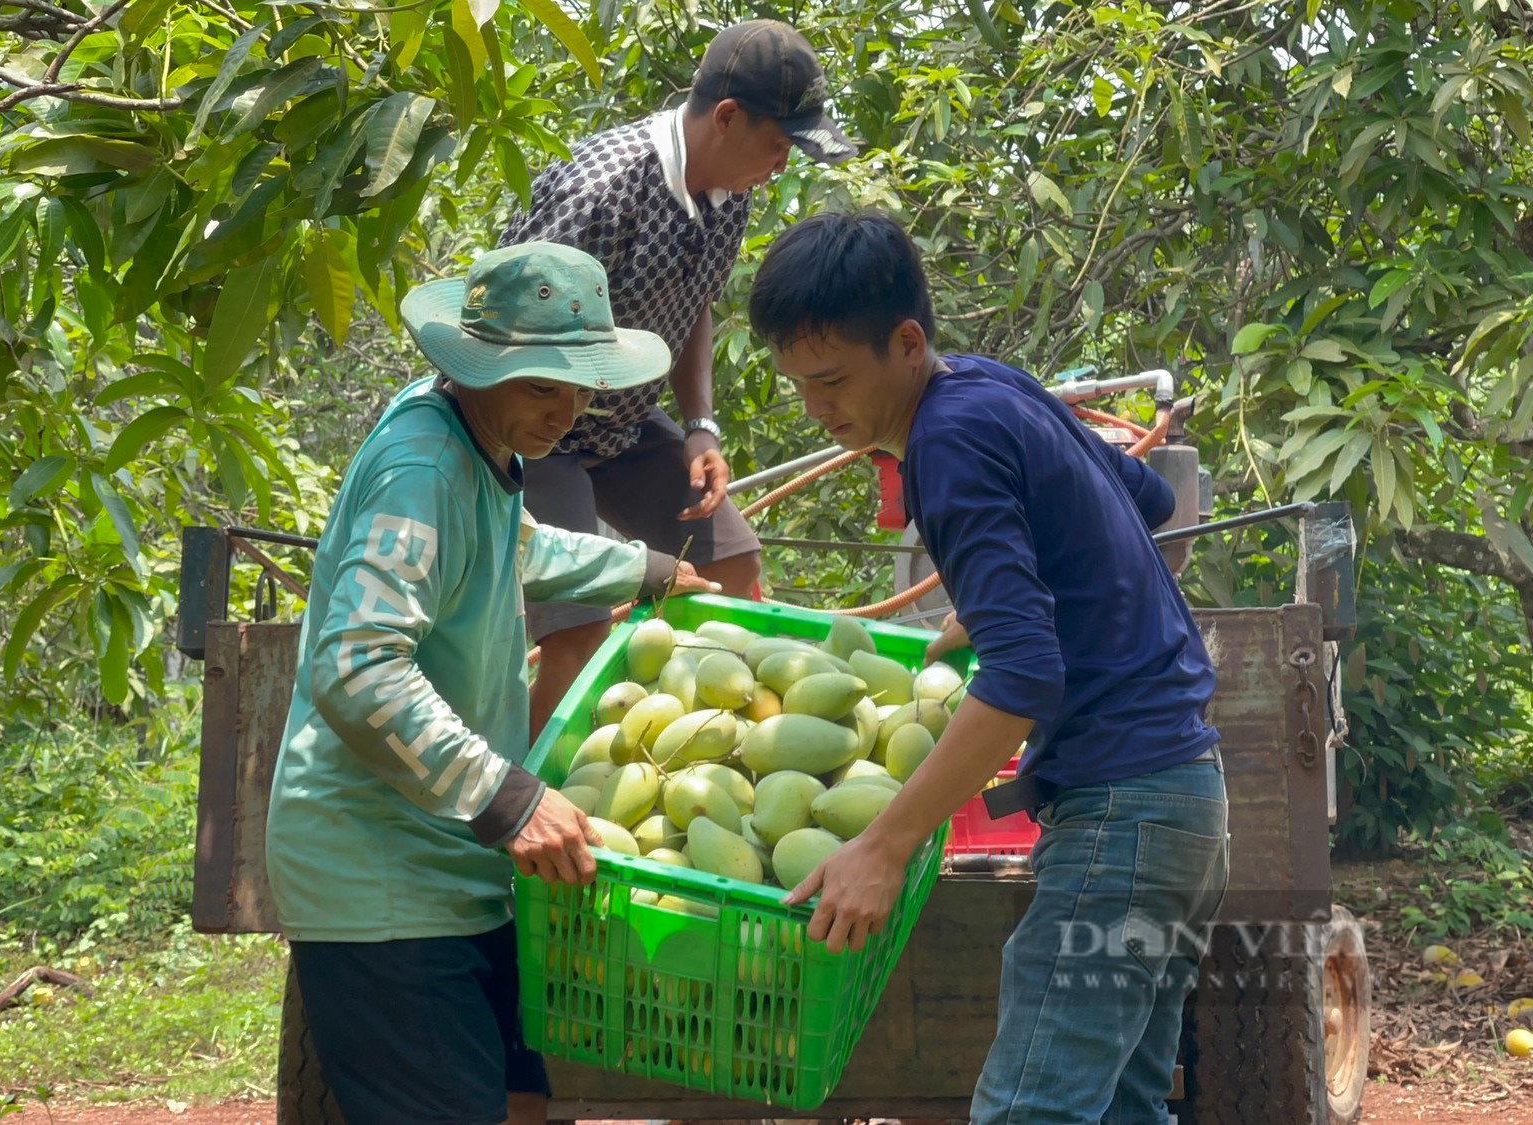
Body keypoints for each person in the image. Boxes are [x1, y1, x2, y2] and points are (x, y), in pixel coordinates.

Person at [749, 211, 1230, 1125]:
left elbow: (1022, 682)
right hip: (1184, 801)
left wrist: (882, 846)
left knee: (1029, 1113)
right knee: (1127, 1109)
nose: (819, 409)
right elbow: (1148, 496)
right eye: (799, 387)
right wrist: (1004, 597)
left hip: (1119, 814)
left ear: (906, 342)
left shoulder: (948, 441)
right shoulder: (994, 387)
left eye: (834, 381)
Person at [264, 242, 717, 1125]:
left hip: (456, 862)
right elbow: (355, 667)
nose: (567, 410)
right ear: (475, 364)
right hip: (382, 877)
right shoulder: (421, 466)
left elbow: (516, 549)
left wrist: (644, 567)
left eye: (581, 386)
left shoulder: (479, 442)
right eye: (542, 386)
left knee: (521, 1101)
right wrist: (507, 797)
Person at [499, 18, 859, 738]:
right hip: (536, 426)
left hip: (625, 421)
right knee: (576, 629)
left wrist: (700, 425)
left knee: (729, 559)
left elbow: (694, 300)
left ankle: (677, 742)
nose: (781, 166)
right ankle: (525, 803)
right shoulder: (600, 194)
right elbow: (506, 340)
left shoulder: (730, 190)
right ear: (727, 118)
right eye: (780, 145)